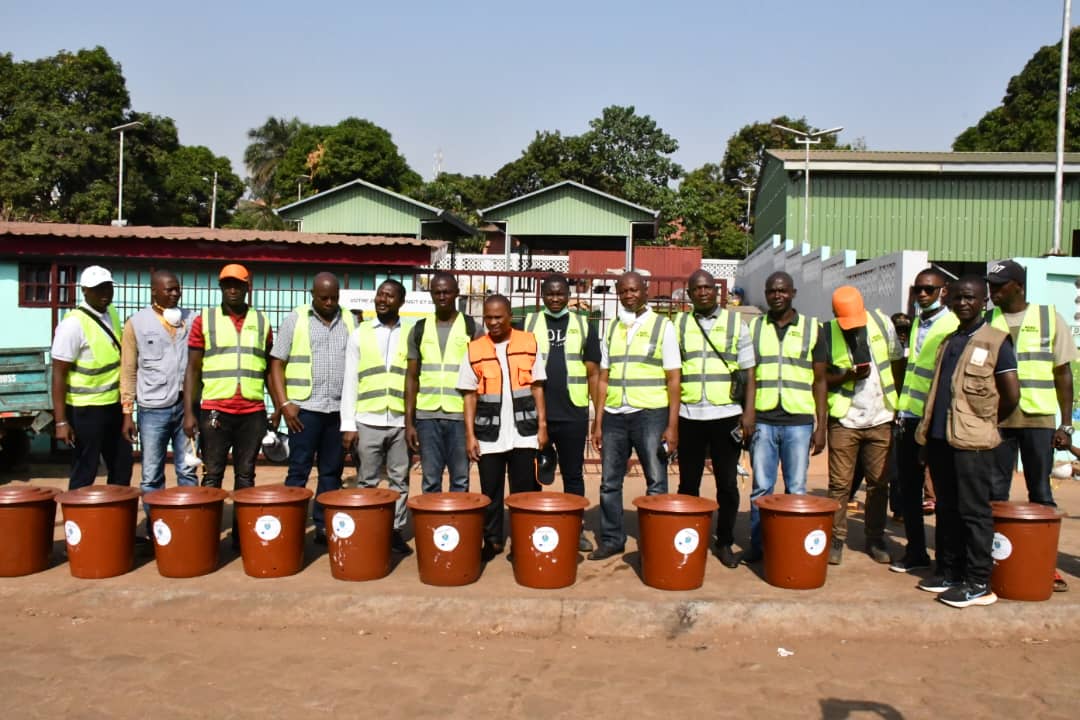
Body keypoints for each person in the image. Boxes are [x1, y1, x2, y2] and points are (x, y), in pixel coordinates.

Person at [915, 275, 1019, 608]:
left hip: (973, 443)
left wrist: (986, 423)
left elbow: (1011, 396)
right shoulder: (950, 340)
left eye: (970, 297)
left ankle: (978, 583)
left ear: (983, 301)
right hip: (941, 438)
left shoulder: (996, 341)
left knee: (974, 513)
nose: (963, 303)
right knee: (947, 509)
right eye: (958, 297)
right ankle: (950, 571)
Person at [986, 259, 1076, 592]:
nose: (993, 292)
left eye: (1000, 286)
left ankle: (1043, 564)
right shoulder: (988, 321)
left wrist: (1065, 425)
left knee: (1041, 493)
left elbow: (1062, 374)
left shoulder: (1049, 319)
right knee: (995, 492)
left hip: (1038, 419)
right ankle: (996, 562)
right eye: (991, 286)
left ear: (1019, 287)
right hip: (998, 419)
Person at [589, 271, 681, 561]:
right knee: (609, 482)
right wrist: (599, 419)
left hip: (650, 414)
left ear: (646, 290)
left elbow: (673, 379)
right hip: (615, 414)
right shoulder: (613, 328)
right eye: (623, 291)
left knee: (655, 480)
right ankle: (612, 538)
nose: (629, 295)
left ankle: (655, 541)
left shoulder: (662, 326)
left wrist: (672, 426)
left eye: (634, 290)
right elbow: (603, 377)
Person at [184, 264, 272, 546]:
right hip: (215, 410)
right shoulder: (204, 320)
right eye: (227, 284)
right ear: (220, 287)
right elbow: (193, 370)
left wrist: (277, 406)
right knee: (212, 475)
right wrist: (190, 412)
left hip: (252, 411)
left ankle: (241, 536)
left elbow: (269, 368)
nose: (232, 289)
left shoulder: (262, 322)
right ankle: (206, 535)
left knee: (246, 476)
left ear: (248, 287)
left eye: (238, 284)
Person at [743, 271, 827, 564]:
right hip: (764, 419)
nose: (776, 295)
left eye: (782, 291)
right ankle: (759, 545)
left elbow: (820, 381)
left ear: (793, 293)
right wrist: (748, 414)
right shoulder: (754, 328)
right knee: (762, 487)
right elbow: (750, 375)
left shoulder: (813, 328)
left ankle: (790, 546)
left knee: (796, 488)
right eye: (771, 291)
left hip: (798, 421)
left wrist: (821, 427)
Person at [675, 270, 755, 569]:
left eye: (708, 287)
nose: (704, 292)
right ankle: (689, 539)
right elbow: (675, 371)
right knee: (688, 484)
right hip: (689, 414)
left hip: (726, 415)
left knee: (727, 484)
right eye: (697, 288)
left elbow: (749, 373)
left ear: (716, 292)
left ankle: (724, 541)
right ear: (690, 292)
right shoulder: (680, 323)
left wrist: (748, 413)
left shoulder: (736, 323)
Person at [268, 272, 354, 545]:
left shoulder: (350, 319)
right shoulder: (297, 318)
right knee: (299, 470)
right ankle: (290, 524)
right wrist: (283, 404)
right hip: (304, 411)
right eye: (323, 297)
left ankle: (322, 525)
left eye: (334, 297)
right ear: (312, 295)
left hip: (337, 411)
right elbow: (276, 363)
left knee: (331, 472)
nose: (329, 302)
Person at [459, 295, 547, 560]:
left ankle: (523, 542)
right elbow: (469, 395)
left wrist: (542, 426)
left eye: (498, 317)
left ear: (509, 315)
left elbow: (538, 386)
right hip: (489, 435)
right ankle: (493, 540)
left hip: (525, 432)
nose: (493, 322)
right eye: (488, 317)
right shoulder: (475, 348)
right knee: (491, 491)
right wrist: (470, 435)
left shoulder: (529, 342)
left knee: (523, 493)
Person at [823, 286, 905, 566]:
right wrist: (847, 376)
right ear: (835, 314)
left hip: (881, 418)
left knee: (878, 485)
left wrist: (896, 405)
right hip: (845, 420)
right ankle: (836, 538)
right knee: (839, 486)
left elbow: (897, 364)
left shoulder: (882, 324)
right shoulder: (827, 332)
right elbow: (820, 379)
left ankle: (875, 538)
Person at [523, 274, 600, 552]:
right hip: (536, 414)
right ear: (542, 295)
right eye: (550, 294)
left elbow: (593, 374)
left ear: (568, 295)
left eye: (560, 294)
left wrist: (597, 418)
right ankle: (533, 526)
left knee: (573, 475)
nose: (555, 299)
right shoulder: (528, 323)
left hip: (572, 414)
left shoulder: (583, 324)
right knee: (532, 475)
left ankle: (575, 528)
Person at [890, 269, 957, 573]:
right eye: (918, 289)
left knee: (943, 492)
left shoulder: (952, 325)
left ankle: (947, 560)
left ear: (943, 291)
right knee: (908, 488)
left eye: (929, 289)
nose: (923, 295)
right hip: (909, 417)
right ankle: (916, 551)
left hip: (937, 420)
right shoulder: (917, 322)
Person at [340, 279, 413, 555]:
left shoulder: (410, 333)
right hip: (367, 419)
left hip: (398, 421)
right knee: (367, 480)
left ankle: (394, 530)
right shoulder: (360, 333)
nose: (382, 299)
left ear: (401, 302)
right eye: (380, 294)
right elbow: (350, 380)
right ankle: (370, 529)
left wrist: (411, 421)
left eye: (389, 296)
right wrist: (348, 423)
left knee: (399, 479)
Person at [120, 269, 196, 536]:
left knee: (188, 470)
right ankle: (157, 529)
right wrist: (127, 412)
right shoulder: (136, 323)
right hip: (153, 410)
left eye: (177, 289)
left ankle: (189, 527)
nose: (175, 293)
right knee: (151, 475)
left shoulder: (191, 319)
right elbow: (128, 369)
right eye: (169, 289)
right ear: (154, 291)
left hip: (185, 408)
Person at [50, 265, 133, 490]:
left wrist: (126, 410)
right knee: (86, 467)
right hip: (85, 410)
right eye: (98, 289)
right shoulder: (73, 324)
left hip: (113, 406)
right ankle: (78, 520)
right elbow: (58, 374)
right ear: (85, 290)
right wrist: (61, 421)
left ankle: (113, 517)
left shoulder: (112, 313)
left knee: (122, 465)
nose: (105, 293)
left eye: (108, 287)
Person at [404, 272, 480, 493]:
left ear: (456, 293)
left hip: (459, 416)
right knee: (430, 481)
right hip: (427, 416)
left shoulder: (471, 328)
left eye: (447, 291)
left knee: (460, 481)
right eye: (437, 292)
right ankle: (433, 527)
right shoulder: (419, 329)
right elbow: (411, 377)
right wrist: (410, 422)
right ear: (431, 295)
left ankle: (458, 526)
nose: (442, 296)